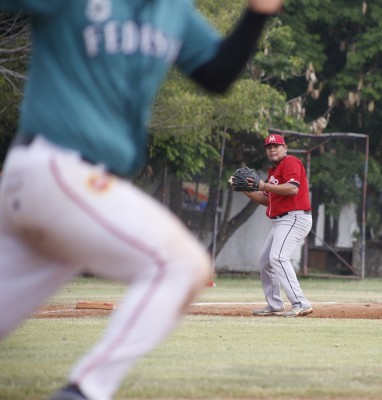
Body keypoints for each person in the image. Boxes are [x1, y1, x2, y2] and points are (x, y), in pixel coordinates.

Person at [0, 1, 284, 400]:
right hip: (58, 167)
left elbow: (217, 73)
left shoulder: (171, 9)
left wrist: (258, 14)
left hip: (63, 187)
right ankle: (85, 391)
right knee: (181, 265)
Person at [239, 133, 313, 318]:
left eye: (276, 146)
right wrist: (246, 190)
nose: (272, 149)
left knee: (278, 257)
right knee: (266, 261)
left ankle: (301, 303)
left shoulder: (290, 162)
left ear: (285, 148)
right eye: (269, 147)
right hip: (282, 221)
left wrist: (263, 186)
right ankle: (275, 305)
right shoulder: (274, 172)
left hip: (295, 218)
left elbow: (293, 188)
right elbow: (266, 199)